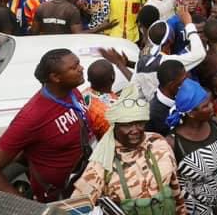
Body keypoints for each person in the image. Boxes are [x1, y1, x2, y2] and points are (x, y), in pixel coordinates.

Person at [0, 49, 90, 202]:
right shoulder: (32, 117)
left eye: (79, 64)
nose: (81, 68)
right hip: (58, 199)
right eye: (74, 67)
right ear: (56, 77)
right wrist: (26, 207)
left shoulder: (72, 91)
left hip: (83, 184)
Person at [72, 85, 186, 214]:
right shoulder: (102, 163)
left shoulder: (158, 142)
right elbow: (76, 209)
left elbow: (175, 186)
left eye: (139, 123)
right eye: (127, 125)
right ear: (115, 127)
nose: (135, 130)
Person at [169, 78, 217, 215]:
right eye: (205, 106)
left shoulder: (216, 124)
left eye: (210, 103)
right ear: (191, 113)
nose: (212, 107)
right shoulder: (173, 143)